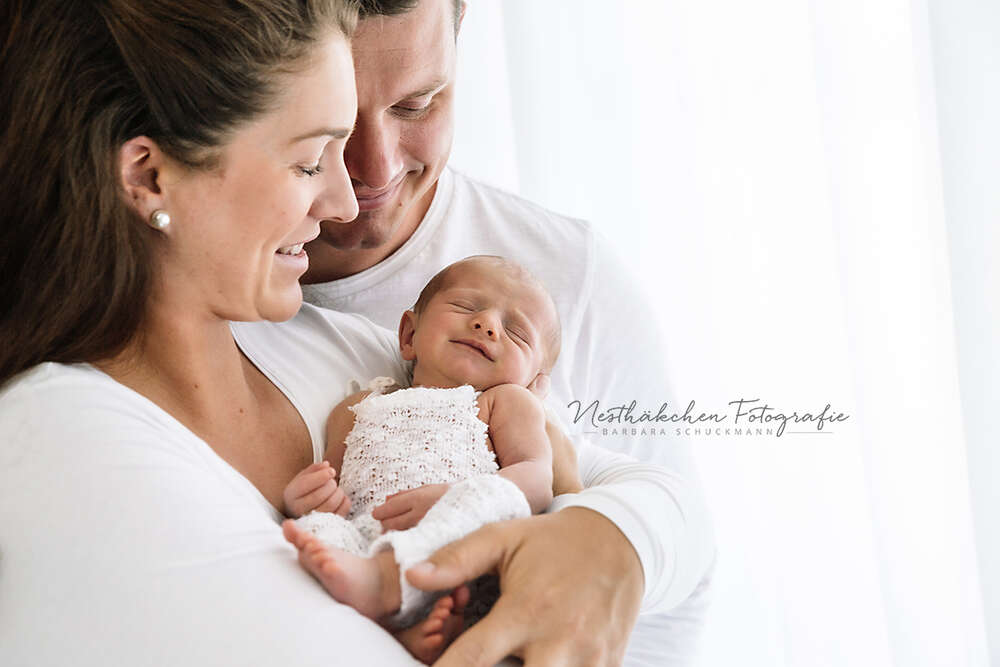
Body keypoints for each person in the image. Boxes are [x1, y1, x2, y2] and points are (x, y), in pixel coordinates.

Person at [0, 1, 691, 666]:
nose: (350, 197)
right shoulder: (67, 447)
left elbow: (643, 488)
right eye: (311, 159)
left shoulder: (341, 347)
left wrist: (614, 537)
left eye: (418, 103)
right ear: (149, 178)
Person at [298, 1, 718, 664]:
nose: (374, 169)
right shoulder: (228, 304)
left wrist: (614, 540)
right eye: (336, 115)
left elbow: (679, 575)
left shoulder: (569, 277)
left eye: (420, 103)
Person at [283, 255, 574, 663]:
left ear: (534, 384)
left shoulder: (502, 403)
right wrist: (308, 498)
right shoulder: (359, 406)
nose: (487, 323)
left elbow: (536, 481)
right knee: (318, 528)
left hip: (463, 546)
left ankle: (391, 587)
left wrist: (454, 496)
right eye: (466, 307)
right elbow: (334, 485)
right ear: (409, 334)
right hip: (369, 535)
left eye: (516, 332)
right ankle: (394, 624)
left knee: (488, 496)